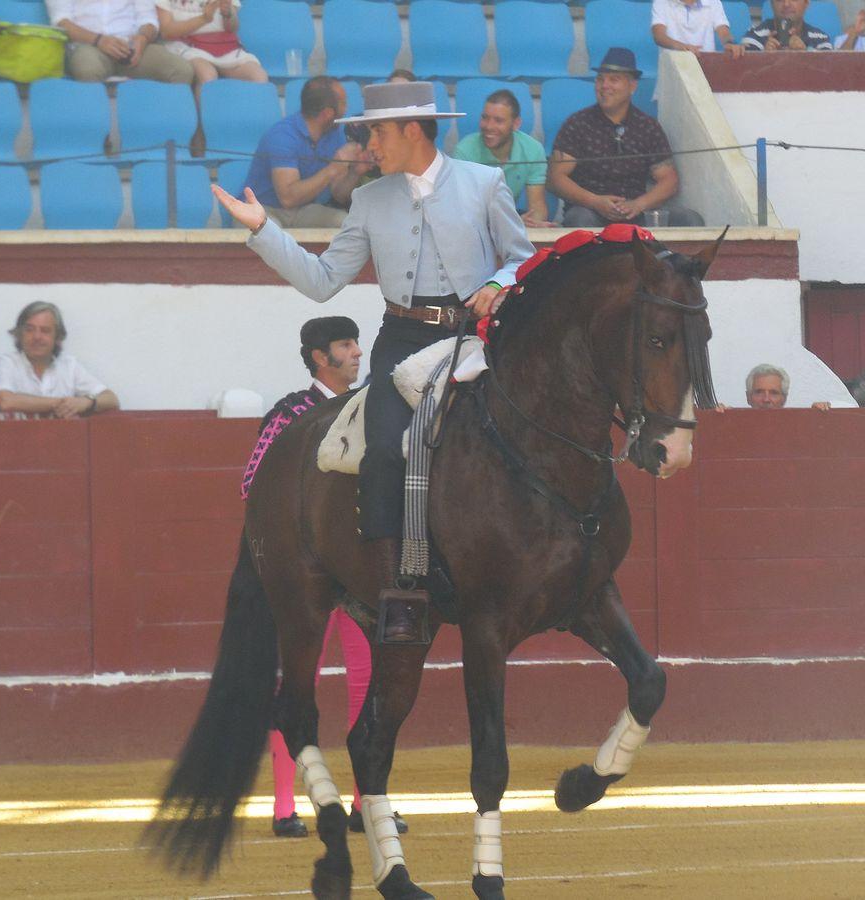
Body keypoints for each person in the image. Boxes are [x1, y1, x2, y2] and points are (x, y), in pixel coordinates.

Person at [213, 80, 533, 644]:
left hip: (474, 338)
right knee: (385, 447)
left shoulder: (485, 184)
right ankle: (399, 590)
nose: (368, 145)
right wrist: (263, 229)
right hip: (403, 338)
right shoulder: (368, 198)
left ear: (412, 130)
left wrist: (497, 282)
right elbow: (322, 281)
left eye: (375, 132)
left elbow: (520, 260)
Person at [253, 317, 407, 839]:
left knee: (370, 678)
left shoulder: (373, 409)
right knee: (301, 679)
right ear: (320, 358)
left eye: (357, 342)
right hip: (305, 572)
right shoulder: (290, 414)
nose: (358, 352)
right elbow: (256, 487)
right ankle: (284, 806)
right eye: (346, 345)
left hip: (362, 565)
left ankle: (368, 800)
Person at [547, 47, 704, 228]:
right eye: (600, 79)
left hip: (635, 212)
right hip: (590, 210)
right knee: (581, 220)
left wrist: (639, 204)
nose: (604, 86)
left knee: (689, 219)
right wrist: (595, 201)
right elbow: (555, 178)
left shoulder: (647, 127)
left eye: (614, 80)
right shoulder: (578, 124)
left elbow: (669, 180)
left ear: (633, 86)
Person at [244, 76, 368, 228]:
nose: (346, 109)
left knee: (347, 224)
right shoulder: (282, 136)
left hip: (303, 210)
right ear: (327, 113)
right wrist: (332, 169)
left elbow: (339, 195)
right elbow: (288, 199)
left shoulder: (336, 133)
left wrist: (355, 173)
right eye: (343, 104)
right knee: (268, 231)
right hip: (263, 209)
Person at [0, 301, 120, 418]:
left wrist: (85, 402)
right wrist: (64, 403)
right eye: (29, 330)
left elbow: (112, 399)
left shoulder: (69, 365)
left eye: (45, 330)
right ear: (19, 334)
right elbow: (6, 401)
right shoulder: (6, 362)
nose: (36, 336)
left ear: (57, 337)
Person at [453, 90, 554, 228]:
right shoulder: (464, 151)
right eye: (485, 118)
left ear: (516, 124)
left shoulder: (533, 150)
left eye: (498, 121)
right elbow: (463, 210)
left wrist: (535, 223)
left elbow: (537, 206)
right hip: (474, 225)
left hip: (508, 218)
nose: (489, 126)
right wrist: (511, 223)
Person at [45, 0, 194, 83]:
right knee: (88, 69)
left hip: (131, 47)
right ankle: (99, 135)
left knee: (181, 70)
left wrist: (142, 39)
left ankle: (158, 132)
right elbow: (61, 23)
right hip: (88, 45)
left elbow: (149, 20)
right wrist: (99, 40)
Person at [155, 0, 268, 90]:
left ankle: (248, 118)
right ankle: (202, 119)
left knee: (259, 77)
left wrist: (228, 14)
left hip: (224, 45)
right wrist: (204, 19)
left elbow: (232, 28)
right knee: (207, 76)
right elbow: (167, 32)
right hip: (185, 44)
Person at [651, 0, 745, 57]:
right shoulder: (661, 2)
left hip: (706, 65)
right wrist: (682, 47)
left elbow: (723, 31)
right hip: (673, 67)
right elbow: (659, 37)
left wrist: (729, 43)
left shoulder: (713, 2)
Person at [741, 0, 834, 51]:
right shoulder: (755, 36)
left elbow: (827, 75)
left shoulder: (820, 38)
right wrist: (765, 58)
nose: (786, 4)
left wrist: (805, 54)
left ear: (806, 3)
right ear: (771, 3)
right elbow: (745, 78)